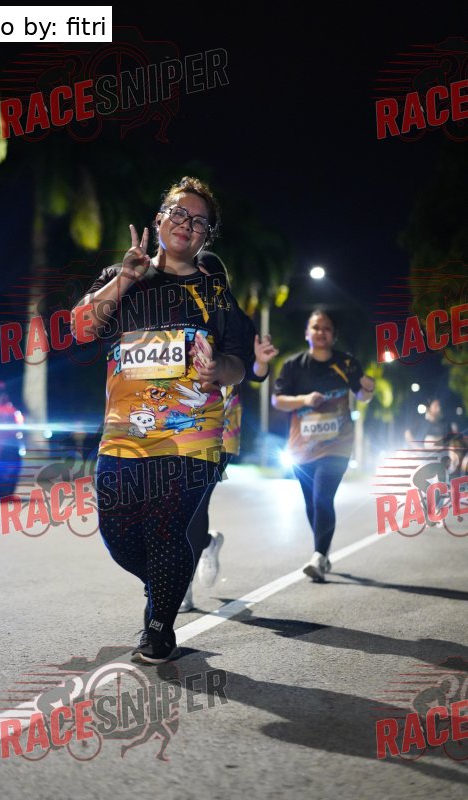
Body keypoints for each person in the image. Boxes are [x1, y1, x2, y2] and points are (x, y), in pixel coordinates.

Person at [71, 177, 251, 663]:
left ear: (206, 236)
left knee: (167, 531)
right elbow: (80, 328)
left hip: (192, 435)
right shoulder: (123, 275)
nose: (186, 224)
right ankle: (167, 583)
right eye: (178, 213)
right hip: (125, 434)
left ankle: (158, 628)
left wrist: (219, 369)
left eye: (199, 222)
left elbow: (240, 363)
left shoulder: (215, 293)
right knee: (118, 534)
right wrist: (125, 279)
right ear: (158, 219)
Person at [177, 264, 279, 612]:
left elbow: (254, 373)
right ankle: (206, 543)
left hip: (219, 430)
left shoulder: (233, 317)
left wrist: (261, 363)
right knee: (171, 508)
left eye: (208, 275)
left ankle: (180, 588)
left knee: (194, 506)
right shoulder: (170, 308)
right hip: (170, 425)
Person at [271, 309, 375, 582]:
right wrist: (305, 400)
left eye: (326, 328)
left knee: (322, 497)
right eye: (316, 327)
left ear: (334, 335)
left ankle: (318, 556)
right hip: (302, 447)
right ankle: (323, 553)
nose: (321, 332)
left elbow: (362, 395)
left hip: (337, 444)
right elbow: (277, 400)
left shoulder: (347, 363)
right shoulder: (293, 366)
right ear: (307, 333)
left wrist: (368, 388)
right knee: (311, 503)